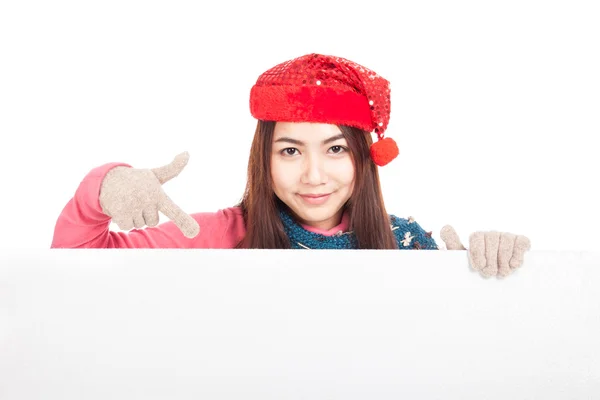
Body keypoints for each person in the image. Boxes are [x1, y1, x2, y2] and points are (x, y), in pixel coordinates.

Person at [50, 53, 531, 278]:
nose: (314, 175)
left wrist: (482, 269)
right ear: (264, 159)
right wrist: (101, 192)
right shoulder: (217, 236)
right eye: (291, 151)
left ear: (365, 160)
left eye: (336, 149)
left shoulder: (407, 246)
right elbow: (71, 271)